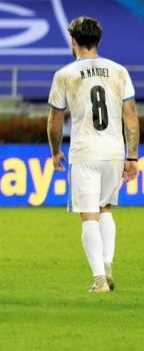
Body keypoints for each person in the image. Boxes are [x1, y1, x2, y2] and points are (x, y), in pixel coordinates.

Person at [46, 16, 138, 293]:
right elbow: (131, 118)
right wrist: (132, 156)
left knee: (89, 216)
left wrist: (55, 151)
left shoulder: (65, 75)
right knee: (105, 209)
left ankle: (99, 280)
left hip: (85, 152)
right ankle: (107, 267)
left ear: (73, 41)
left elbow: (55, 121)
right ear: (98, 40)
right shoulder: (119, 71)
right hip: (114, 152)